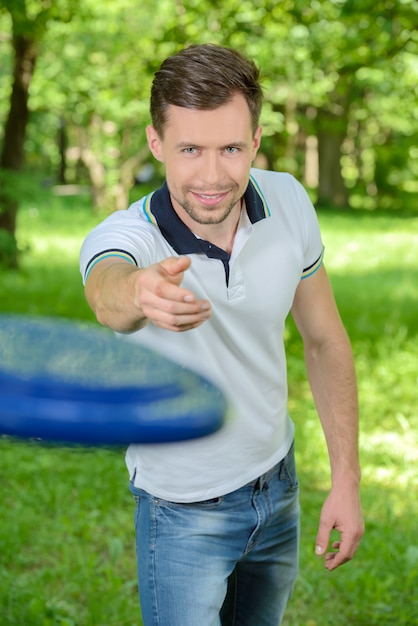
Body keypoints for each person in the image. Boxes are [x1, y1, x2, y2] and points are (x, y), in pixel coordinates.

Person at [79, 43, 364, 626]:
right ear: (157, 144)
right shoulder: (128, 236)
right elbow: (107, 290)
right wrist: (138, 292)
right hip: (182, 512)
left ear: (256, 140)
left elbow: (325, 340)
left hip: (278, 483)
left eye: (231, 148)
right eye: (190, 150)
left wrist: (347, 480)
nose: (212, 176)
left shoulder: (287, 200)